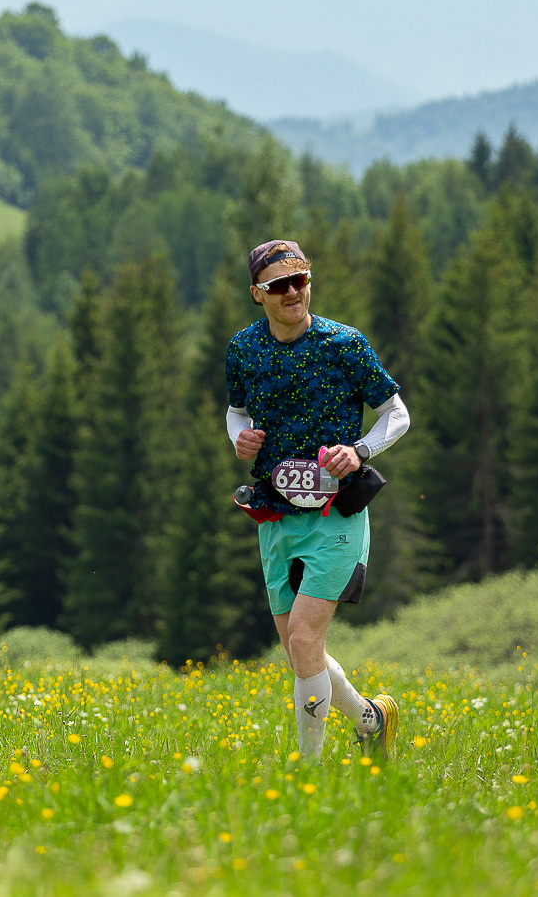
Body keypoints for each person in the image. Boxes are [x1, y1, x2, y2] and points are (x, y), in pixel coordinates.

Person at [225, 239, 411, 765]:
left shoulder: (344, 344)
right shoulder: (243, 349)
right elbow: (236, 412)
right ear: (258, 294)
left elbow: (397, 413)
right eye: (278, 285)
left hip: (337, 514)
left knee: (305, 639)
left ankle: (309, 774)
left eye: (300, 280)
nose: (292, 292)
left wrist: (360, 450)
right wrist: (239, 437)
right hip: (274, 513)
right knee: (298, 649)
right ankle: (373, 720)